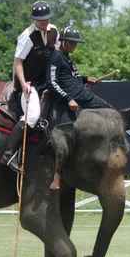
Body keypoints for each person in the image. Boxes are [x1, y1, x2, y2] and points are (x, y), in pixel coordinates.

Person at [46, 25, 113, 190]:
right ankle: (57, 175)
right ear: (62, 41)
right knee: (64, 139)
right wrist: (69, 99)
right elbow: (52, 83)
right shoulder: (56, 56)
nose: (73, 46)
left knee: (111, 114)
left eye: (75, 43)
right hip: (72, 101)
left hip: (84, 96)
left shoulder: (67, 57)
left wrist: (85, 79)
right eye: (71, 42)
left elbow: (70, 78)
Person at [0, 0, 59, 173]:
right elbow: (18, 62)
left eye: (47, 19)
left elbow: (57, 54)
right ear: (34, 19)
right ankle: (8, 154)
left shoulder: (53, 31)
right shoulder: (27, 36)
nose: (45, 22)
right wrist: (24, 83)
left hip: (47, 81)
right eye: (41, 20)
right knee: (32, 115)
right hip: (30, 83)